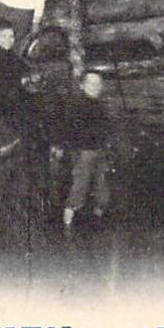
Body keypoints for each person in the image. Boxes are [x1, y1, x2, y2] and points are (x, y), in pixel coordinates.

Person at [52, 72, 112, 231]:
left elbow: (106, 129)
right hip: (83, 151)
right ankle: (68, 219)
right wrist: (62, 146)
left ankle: (99, 216)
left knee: (102, 184)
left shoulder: (101, 105)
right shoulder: (75, 105)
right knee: (80, 183)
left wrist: (107, 145)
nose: (95, 87)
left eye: (98, 84)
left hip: (99, 150)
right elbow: (66, 128)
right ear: (82, 85)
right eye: (91, 83)